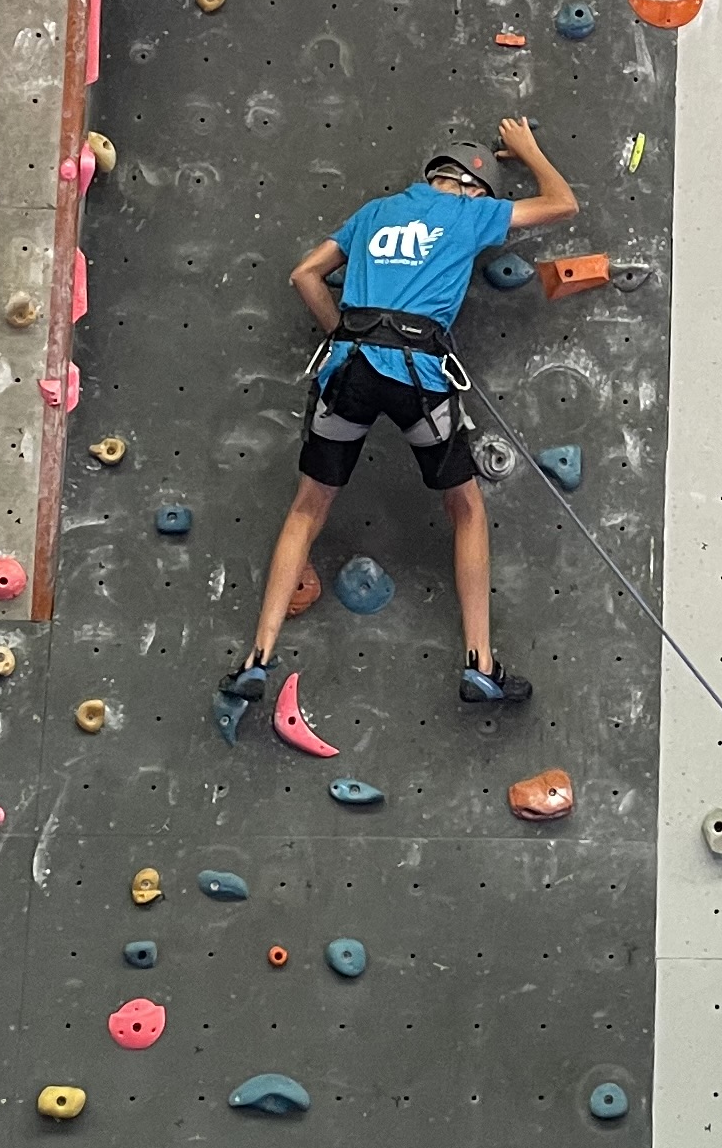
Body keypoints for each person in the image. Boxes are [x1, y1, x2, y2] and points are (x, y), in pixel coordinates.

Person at [223, 120, 576, 720]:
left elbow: (305, 275)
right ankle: (480, 665)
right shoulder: (468, 214)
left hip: (350, 367)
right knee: (465, 508)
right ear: (473, 187)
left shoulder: (374, 212)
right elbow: (562, 204)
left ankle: (255, 660)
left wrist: (342, 331)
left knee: (308, 508)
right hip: (418, 374)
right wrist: (530, 151)